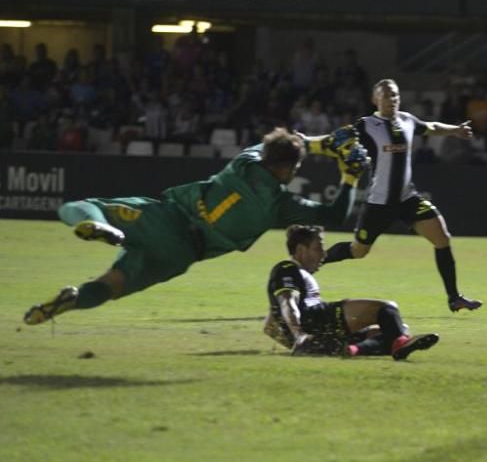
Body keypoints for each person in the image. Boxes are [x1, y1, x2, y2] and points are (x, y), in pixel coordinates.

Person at [24, 126, 368, 325]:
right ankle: (74, 299)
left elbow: (281, 144)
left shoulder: (243, 161)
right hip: (183, 254)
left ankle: (102, 227)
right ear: (290, 171)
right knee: (111, 286)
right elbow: (336, 215)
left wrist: (322, 143)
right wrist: (349, 175)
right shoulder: (280, 206)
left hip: (166, 219)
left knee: (79, 206)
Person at [324, 79, 483, 313]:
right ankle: (316, 260)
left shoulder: (407, 120)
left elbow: (431, 127)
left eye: (395, 95)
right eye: (386, 95)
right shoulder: (366, 125)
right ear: (375, 100)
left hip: (408, 198)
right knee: (359, 251)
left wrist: (456, 131)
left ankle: (454, 297)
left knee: (442, 237)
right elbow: (337, 141)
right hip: (379, 203)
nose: (392, 100)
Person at [263, 224, 439, 360]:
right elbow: (288, 302)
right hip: (317, 319)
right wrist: (299, 335)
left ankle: (355, 349)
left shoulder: (294, 274)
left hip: (319, 333)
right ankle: (400, 345)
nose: (323, 254)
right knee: (387, 309)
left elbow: (270, 326)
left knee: (392, 330)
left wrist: (300, 342)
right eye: (318, 248)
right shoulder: (287, 268)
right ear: (301, 250)